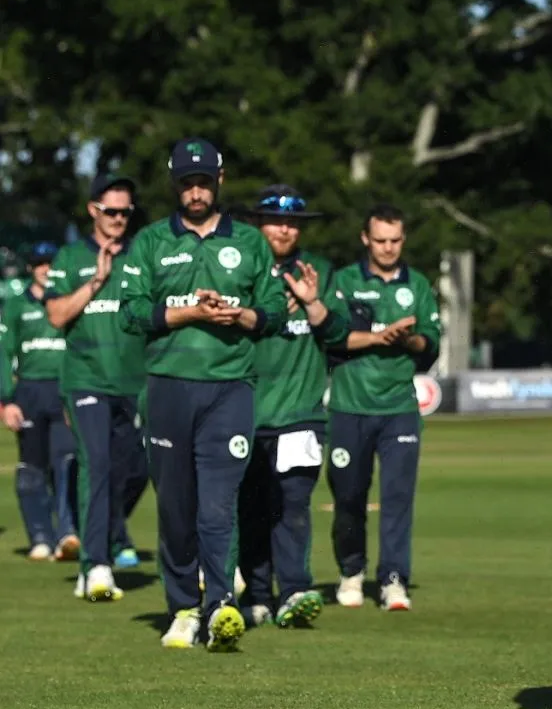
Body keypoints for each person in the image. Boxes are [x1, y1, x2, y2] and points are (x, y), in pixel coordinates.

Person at [119, 138, 287, 651]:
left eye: (204, 181)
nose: (196, 191)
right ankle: (182, 608)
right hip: (168, 388)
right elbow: (130, 312)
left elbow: (275, 310)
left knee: (218, 506)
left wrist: (240, 316)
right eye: (187, 183)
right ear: (175, 185)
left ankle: (218, 606)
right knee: (175, 508)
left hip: (230, 389)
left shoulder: (252, 244)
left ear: (220, 180)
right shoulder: (149, 241)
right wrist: (188, 313)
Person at [237, 185, 346, 628]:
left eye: (292, 222)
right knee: (251, 509)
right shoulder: (240, 269)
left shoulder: (317, 270)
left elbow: (340, 335)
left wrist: (311, 303)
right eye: (275, 220)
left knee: (294, 506)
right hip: (246, 413)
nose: (284, 229)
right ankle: (257, 594)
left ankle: (296, 590)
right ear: (257, 223)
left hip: (301, 415)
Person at [326, 204, 440, 612]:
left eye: (395, 240)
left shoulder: (420, 285)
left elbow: (430, 344)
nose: (388, 248)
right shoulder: (342, 281)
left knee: (397, 498)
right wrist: (380, 337)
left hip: (399, 408)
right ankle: (351, 572)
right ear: (365, 239)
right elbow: (333, 338)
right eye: (380, 240)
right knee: (349, 497)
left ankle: (393, 579)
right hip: (349, 406)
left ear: (403, 239)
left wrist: (407, 341)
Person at [44, 174, 148, 601]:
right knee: (97, 464)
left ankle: (102, 537)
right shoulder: (70, 257)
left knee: (136, 470)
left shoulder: (144, 253)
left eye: (125, 212)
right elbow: (56, 315)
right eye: (111, 211)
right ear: (93, 210)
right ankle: (96, 563)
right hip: (86, 379)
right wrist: (95, 282)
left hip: (134, 382)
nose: (119, 219)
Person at [0, 242, 78, 562]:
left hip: (65, 390)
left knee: (66, 461)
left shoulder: (70, 302)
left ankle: (68, 534)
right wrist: (6, 400)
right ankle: (40, 537)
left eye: (51, 263)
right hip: (30, 392)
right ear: (31, 269)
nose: (46, 269)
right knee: (32, 468)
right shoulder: (17, 306)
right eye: (40, 263)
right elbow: (4, 353)